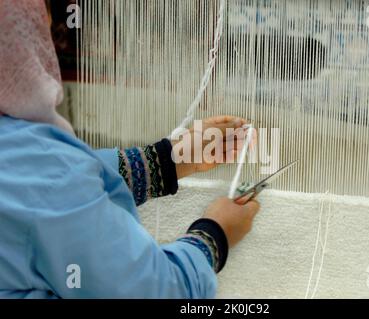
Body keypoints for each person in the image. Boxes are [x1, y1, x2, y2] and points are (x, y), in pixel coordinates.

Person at [0, 0, 260, 298]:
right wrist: (215, 235)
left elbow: (39, 186)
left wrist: (166, 160)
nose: (48, 21)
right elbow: (155, 291)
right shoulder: (50, 175)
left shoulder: (36, 167)